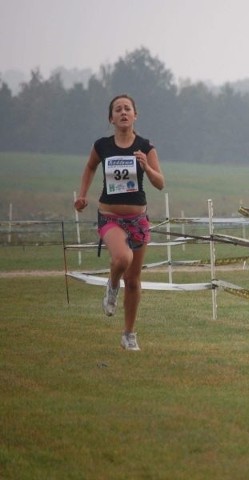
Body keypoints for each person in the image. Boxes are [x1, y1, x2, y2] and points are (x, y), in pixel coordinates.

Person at [74, 94, 165, 351]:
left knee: (134, 280)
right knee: (122, 259)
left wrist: (146, 167)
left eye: (127, 109)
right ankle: (112, 285)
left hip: (137, 219)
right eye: (118, 109)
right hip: (110, 217)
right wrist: (82, 195)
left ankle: (129, 334)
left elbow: (160, 183)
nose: (123, 112)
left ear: (135, 115)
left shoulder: (146, 147)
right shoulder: (102, 146)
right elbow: (90, 167)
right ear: (110, 118)